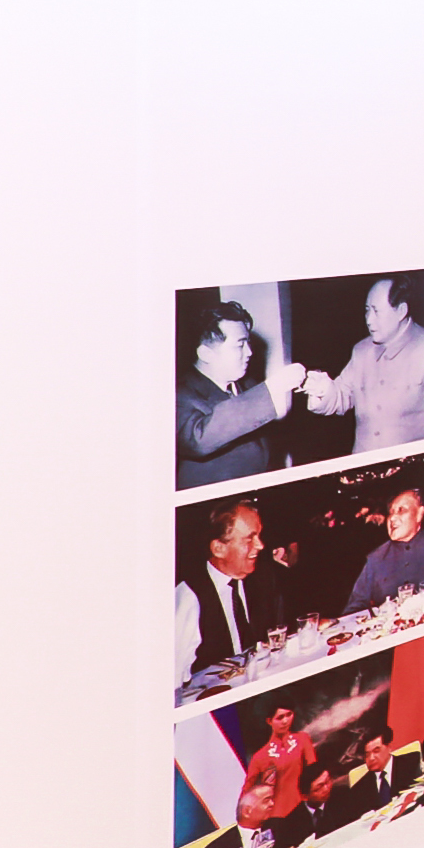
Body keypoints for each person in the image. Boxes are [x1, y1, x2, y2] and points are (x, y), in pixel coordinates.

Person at [302, 275, 424, 451]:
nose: (369, 320)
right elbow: (341, 396)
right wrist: (323, 390)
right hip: (364, 462)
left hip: (413, 465)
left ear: (401, 311)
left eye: (376, 311)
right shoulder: (361, 351)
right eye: (367, 310)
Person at [177, 299, 306, 489]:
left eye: (248, 343)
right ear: (206, 354)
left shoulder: (248, 386)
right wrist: (273, 387)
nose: (250, 352)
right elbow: (198, 440)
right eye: (240, 345)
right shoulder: (177, 395)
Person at [175, 500, 288, 686]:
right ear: (219, 548)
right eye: (249, 539)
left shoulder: (264, 578)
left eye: (259, 536)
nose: (260, 545)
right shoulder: (189, 596)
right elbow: (172, 680)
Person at [342, 487, 424, 612]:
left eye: (401, 510)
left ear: (419, 514)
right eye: (391, 512)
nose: (392, 518)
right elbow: (355, 607)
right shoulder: (376, 559)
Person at [241, 701, 317, 821]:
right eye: (280, 717)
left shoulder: (303, 739)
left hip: (304, 808)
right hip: (276, 816)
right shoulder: (260, 757)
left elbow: (314, 772)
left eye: (289, 715)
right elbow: (247, 790)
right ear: (269, 721)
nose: (285, 721)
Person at [270, 761, 352, 848]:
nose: (326, 788)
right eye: (319, 788)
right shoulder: (291, 823)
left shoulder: (343, 796)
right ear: (305, 797)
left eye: (328, 781)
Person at [199, 788, 278, 848]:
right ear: (247, 811)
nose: (272, 804)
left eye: (272, 799)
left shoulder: (279, 827)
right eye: (266, 801)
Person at [341, 732, 403, 814]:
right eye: (367, 755)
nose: (371, 758)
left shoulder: (413, 762)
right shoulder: (358, 790)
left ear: (389, 748)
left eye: (376, 751)